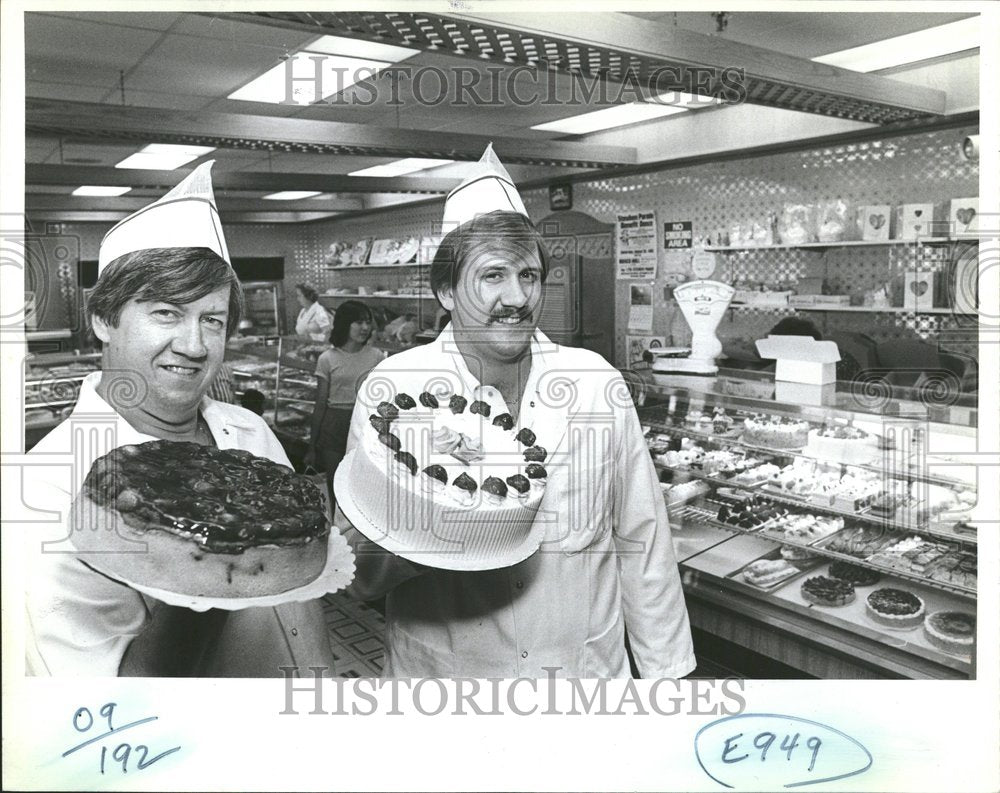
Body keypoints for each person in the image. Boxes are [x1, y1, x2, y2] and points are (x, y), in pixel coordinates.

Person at [337, 146, 695, 678]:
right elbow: (357, 568)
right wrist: (435, 524)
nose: (517, 297)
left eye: (528, 275)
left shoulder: (594, 383)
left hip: (582, 677)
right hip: (448, 684)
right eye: (492, 276)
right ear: (445, 291)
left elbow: (641, 537)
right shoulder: (395, 390)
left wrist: (669, 674)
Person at [23, 163, 337, 677]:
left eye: (211, 320)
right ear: (104, 318)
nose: (193, 346)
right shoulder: (51, 485)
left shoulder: (248, 431)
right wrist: (207, 575)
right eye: (166, 313)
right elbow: (99, 704)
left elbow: (297, 592)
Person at [305, 300, 382, 490]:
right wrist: (311, 446)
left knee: (364, 483)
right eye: (358, 322)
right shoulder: (327, 359)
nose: (365, 327)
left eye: (367, 322)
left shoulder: (377, 356)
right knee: (336, 484)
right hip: (334, 424)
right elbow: (321, 403)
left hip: (366, 423)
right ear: (344, 324)